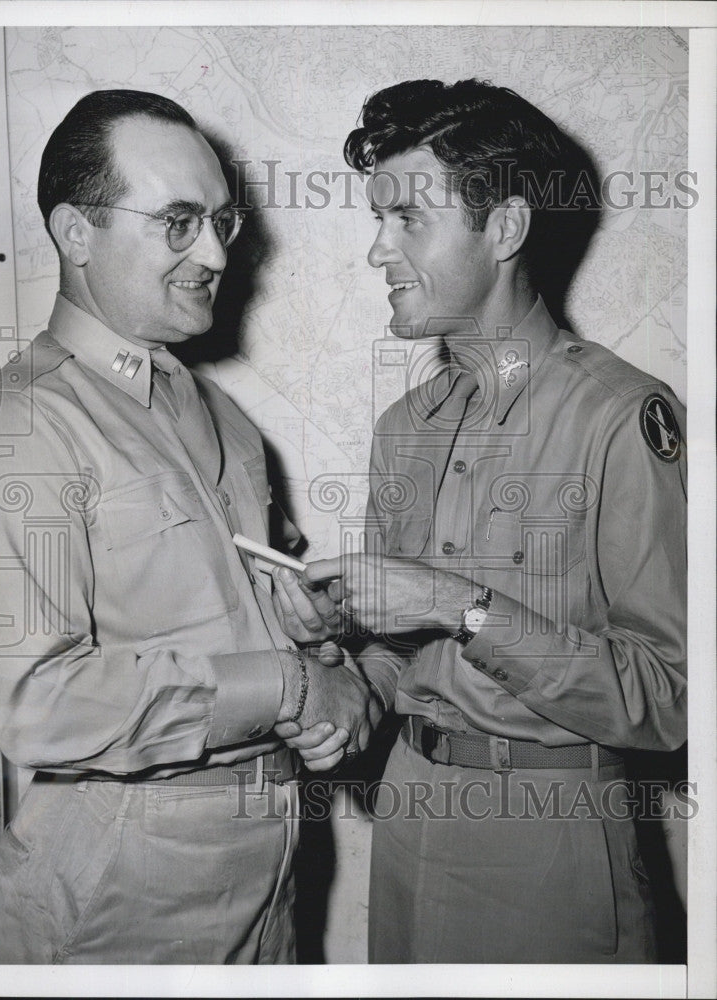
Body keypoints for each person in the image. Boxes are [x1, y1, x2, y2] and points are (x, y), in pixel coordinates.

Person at [273, 78, 687, 963]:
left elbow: (671, 700)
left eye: (408, 219)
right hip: (409, 812)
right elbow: (397, 654)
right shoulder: (404, 429)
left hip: (552, 842)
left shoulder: (620, 416)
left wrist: (460, 603)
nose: (377, 250)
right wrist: (348, 669)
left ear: (503, 228)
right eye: (375, 220)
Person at [0, 88, 374, 965]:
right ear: (77, 234)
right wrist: (288, 688)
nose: (219, 252)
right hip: (116, 897)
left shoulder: (220, 415)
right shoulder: (20, 424)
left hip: (268, 870)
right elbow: (37, 702)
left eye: (223, 222)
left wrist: (324, 648)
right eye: (181, 221)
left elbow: (263, 609)